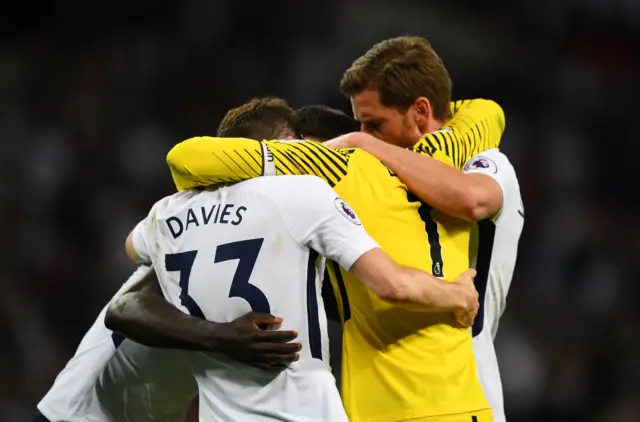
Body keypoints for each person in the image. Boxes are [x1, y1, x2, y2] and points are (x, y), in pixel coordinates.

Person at [164, 36, 505, 421]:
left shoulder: (339, 167)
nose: (364, 132)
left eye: (373, 124)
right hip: (448, 405)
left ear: (420, 112)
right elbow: (486, 111)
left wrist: (349, 146)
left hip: (409, 406)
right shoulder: (450, 152)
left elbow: (186, 158)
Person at [126, 173, 479, 421]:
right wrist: (458, 295)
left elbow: (132, 248)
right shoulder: (300, 194)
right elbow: (394, 286)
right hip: (305, 411)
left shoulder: (164, 214)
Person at [327, 132, 524, 422]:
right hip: (424, 397)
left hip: (450, 391)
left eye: (375, 123)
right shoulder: (371, 186)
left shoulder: (477, 170)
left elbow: (394, 284)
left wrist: (360, 142)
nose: (369, 132)